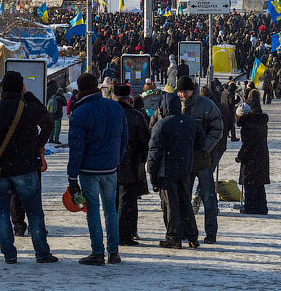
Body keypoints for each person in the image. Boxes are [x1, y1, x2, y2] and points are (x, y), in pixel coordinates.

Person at [0, 71, 57, 264]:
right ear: (20, 88)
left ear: (1, 89)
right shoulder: (27, 109)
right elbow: (46, 117)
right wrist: (37, 144)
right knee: (34, 212)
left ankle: (9, 254)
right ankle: (42, 253)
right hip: (25, 167)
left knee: (1, 213)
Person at [67, 73, 129, 266]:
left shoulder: (80, 112)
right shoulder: (115, 107)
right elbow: (124, 137)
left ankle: (97, 252)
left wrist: (72, 176)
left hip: (89, 170)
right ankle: (114, 252)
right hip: (110, 168)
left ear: (80, 89)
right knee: (111, 209)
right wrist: (116, 160)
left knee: (93, 209)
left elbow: (76, 148)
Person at [163, 75, 223, 244]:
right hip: (183, 161)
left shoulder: (206, 105)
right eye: (180, 92)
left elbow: (217, 129)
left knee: (209, 197)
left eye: (185, 92)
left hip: (202, 159)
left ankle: (211, 232)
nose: (182, 95)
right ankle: (186, 230)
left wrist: (205, 147)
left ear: (192, 90)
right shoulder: (174, 106)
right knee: (184, 197)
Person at [147, 92, 204, 248]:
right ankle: (192, 236)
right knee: (185, 201)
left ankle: (174, 237)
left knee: (170, 204)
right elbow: (201, 143)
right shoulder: (191, 122)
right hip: (185, 168)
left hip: (167, 171)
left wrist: (152, 172)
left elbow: (154, 151)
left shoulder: (161, 125)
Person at [114, 83, 150, 246]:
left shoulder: (108, 113)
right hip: (130, 162)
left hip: (108, 163)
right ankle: (125, 234)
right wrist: (142, 159)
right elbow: (145, 141)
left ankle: (112, 231)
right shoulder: (136, 116)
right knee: (127, 200)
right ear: (129, 99)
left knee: (112, 200)